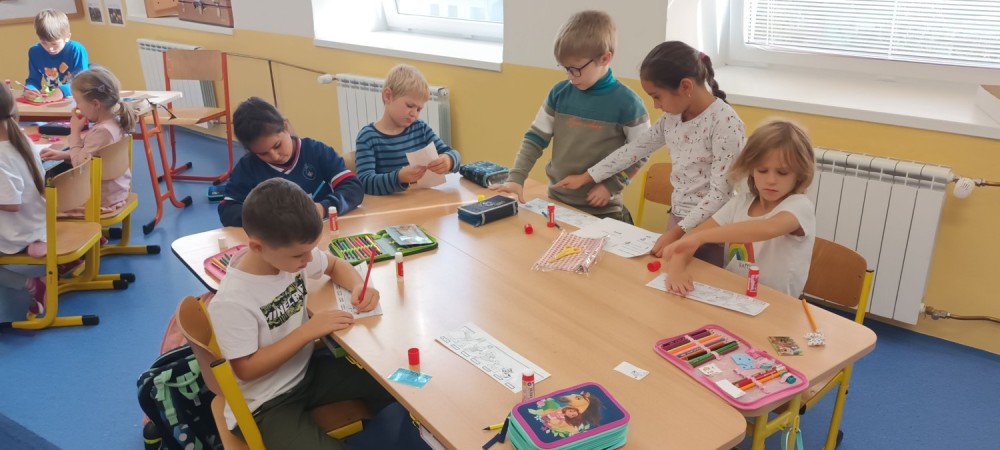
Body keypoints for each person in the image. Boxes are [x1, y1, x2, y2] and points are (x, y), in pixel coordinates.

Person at [208, 178, 404, 449]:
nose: (309, 260)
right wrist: (307, 332)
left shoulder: (287, 257)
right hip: (266, 403)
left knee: (396, 383)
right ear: (257, 247)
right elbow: (246, 369)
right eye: (300, 255)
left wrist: (359, 285)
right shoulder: (232, 301)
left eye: (311, 249)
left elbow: (334, 265)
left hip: (306, 373)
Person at [554, 41, 745, 261]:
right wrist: (587, 176)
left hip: (712, 228)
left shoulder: (726, 124)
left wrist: (677, 233)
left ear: (685, 87)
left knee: (702, 279)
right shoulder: (672, 118)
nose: (655, 105)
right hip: (679, 220)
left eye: (656, 96)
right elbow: (633, 150)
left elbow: (720, 194)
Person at [490, 10, 650, 223]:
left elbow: (641, 152)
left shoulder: (628, 103)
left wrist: (610, 186)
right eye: (565, 69)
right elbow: (534, 139)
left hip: (603, 211)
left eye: (575, 69)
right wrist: (516, 178)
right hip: (557, 202)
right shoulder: (559, 93)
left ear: (605, 58)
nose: (570, 77)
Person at [660, 119, 816, 298]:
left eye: (782, 173)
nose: (771, 180)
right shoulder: (739, 203)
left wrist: (700, 238)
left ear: (800, 174)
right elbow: (690, 240)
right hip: (732, 296)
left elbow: (767, 228)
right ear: (751, 169)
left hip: (776, 304)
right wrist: (677, 269)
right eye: (762, 170)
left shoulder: (799, 206)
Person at [219, 97, 363, 227]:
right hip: (278, 241)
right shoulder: (248, 167)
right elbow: (228, 209)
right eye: (263, 153)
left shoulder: (317, 151)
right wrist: (266, 219)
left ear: (286, 126)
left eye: (277, 145)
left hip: (323, 231)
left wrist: (323, 208)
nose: (275, 156)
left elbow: (353, 188)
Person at [40, 66, 137, 214]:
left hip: (98, 199)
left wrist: (74, 131)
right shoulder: (117, 120)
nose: (77, 107)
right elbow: (98, 158)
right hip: (116, 193)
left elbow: (80, 166)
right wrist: (65, 155)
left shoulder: (102, 131)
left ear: (96, 104)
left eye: (78, 102)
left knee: (40, 203)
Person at [355, 64, 461, 195]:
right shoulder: (368, 137)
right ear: (388, 96)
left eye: (419, 109)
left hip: (421, 200)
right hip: (389, 205)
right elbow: (364, 183)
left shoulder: (420, 128)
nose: (414, 113)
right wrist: (398, 177)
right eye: (410, 106)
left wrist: (449, 160)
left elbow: (453, 153)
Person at [0, 83, 48, 315]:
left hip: (18, 233)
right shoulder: (21, 138)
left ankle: (32, 285)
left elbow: (11, 203)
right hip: (37, 224)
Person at [23, 8, 89, 102]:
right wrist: (30, 89)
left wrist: (62, 90)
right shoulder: (35, 52)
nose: (50, 48)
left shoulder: (76, 50)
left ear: (67, 37)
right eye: (44, 43)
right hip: (52, 100)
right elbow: (33, 79)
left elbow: (83, 83)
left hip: (75, 100)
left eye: (54, 44)